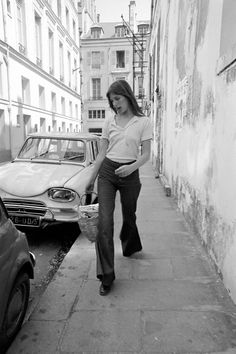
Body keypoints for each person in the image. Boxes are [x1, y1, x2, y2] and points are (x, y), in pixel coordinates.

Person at [86, 79, 152, 296]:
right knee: (104, 223)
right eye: (112, 100)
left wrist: (130, 168)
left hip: (130, 173)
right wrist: (90, 179)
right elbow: (101, 154)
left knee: (129, 215)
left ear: (127, 95)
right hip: (107, 173)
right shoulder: (109, 122)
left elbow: (146, 155)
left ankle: (130, 245)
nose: (115, 104)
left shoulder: (143, 122)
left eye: (118, 98)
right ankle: (106, 276)